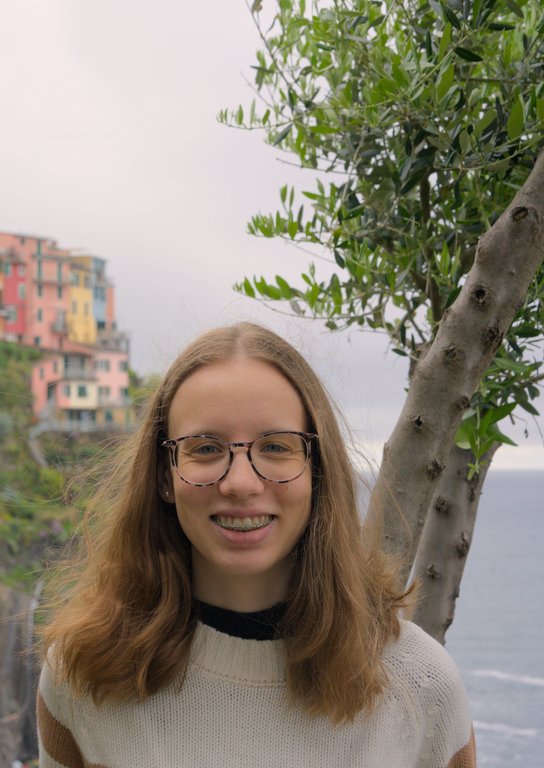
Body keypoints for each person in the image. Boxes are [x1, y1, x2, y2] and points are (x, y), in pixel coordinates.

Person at [37, 322, 476, 768]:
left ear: (317, 471)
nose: (240, 483)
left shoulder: (421, 689)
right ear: (164, 477)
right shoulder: (83, 676)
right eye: (205, 448)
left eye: (276, 447)